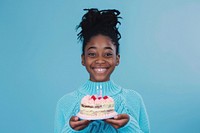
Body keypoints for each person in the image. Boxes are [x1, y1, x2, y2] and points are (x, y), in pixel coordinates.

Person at [54, 8, 150, 133]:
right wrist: (71, 129)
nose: (100, 60)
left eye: (108, 54)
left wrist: (128, 125)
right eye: (92, 54)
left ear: (117, 59)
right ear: (83, 59)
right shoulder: (66, 103)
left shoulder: (134, 99)